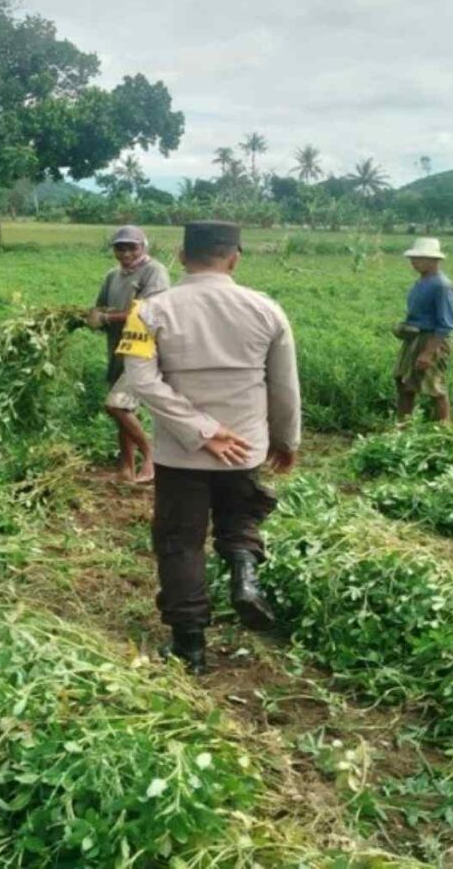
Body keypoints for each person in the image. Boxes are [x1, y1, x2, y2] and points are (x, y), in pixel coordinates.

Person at [119, 221, 301, 674]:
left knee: (180, 543)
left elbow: (141, 382)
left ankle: (190, 648)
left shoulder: (145, 312)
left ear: (182, 257)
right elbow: (284, 386)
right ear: (234, 257)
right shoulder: (268, 309)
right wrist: (287, 440)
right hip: (246, 446)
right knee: (239, 520)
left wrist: (201, 430)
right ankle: (244, 575)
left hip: (180, 454)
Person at [87, 225, 170, 483]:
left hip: (142, 351)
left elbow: (149, 312)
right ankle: (126, 470)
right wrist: (88, 316)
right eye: (119, 248)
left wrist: (107, 317)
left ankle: (151, 454)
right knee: (123, 408)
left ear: (143, 246)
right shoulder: (113, 275)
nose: (125, 253)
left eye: (131, 247)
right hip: (117, 350)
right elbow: (100, 306)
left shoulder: (154, 271)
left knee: (117, 406)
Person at [393, 237, 453, 423]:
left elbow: (446, 324)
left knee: (434, 386)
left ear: (434, 260)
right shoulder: (421, 282)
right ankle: (403, 428)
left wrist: (428, 353)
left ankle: (445, 429)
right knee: (404, 383)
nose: (414, 262)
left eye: (420, 258)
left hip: (432, 340)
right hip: (414, 339)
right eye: (413, 258)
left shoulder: (442, 286)